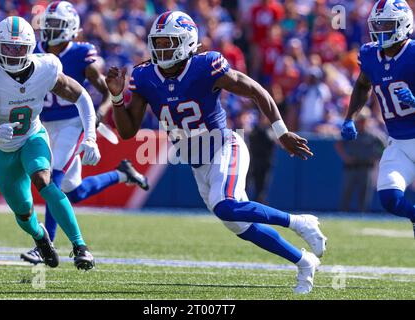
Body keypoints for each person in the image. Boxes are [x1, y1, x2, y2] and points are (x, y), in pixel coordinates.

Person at [105, 11, 327, 294]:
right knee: (240, 226)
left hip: (224, 147)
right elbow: (127, 132)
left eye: (168, 42)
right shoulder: (144, 75)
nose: (161, 49)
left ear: (187, 42)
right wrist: (115, 96)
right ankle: (303, 261)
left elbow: (256, 90)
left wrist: (281, 131)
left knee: (225, 204)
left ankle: (298, 221)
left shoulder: (205, 65)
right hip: (197, 162)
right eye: (157, 43)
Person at [20, 0, 149, 265]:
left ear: (71, 29)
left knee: (51, 179)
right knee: (72, 192)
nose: (50, 28)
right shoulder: (33, 50)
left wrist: (98, 116)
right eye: (48, 23)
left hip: (72, 124)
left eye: (56, 24)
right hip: (43, 126)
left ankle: (46, 244)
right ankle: (122, 173)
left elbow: (105, 92)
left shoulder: (81, 54)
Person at [0, 16, 98, 270]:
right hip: (3, 150)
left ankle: (80, 246)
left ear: (31, 47)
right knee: (23, 211)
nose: (14, 54)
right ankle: (40, 237)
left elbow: (81, 97)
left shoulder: (45, 67)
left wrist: (90, 135)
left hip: (31, 137)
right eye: (8, 48)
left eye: (19, 48)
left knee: (43, 180)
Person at [341, 0, 415, 237]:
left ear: (404, 24)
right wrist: (349, 117)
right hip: (398, 143)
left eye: (387, 24)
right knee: (389, 197)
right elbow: (363, 85)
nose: (381, 30)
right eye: (378, 25)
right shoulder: (370, 54)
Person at [336, 108, 385, 212]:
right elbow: (338, 143)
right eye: (359, 120)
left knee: (365, 193)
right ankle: (342, 213)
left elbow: (384, 146)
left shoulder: (373, 135)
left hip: (366, 167)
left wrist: (376, 156)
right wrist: (345, 157)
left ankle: (362, 214)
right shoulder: (350, 132)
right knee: (347, 191)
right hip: (351, 167)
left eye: (363, 120)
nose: (361, 122)